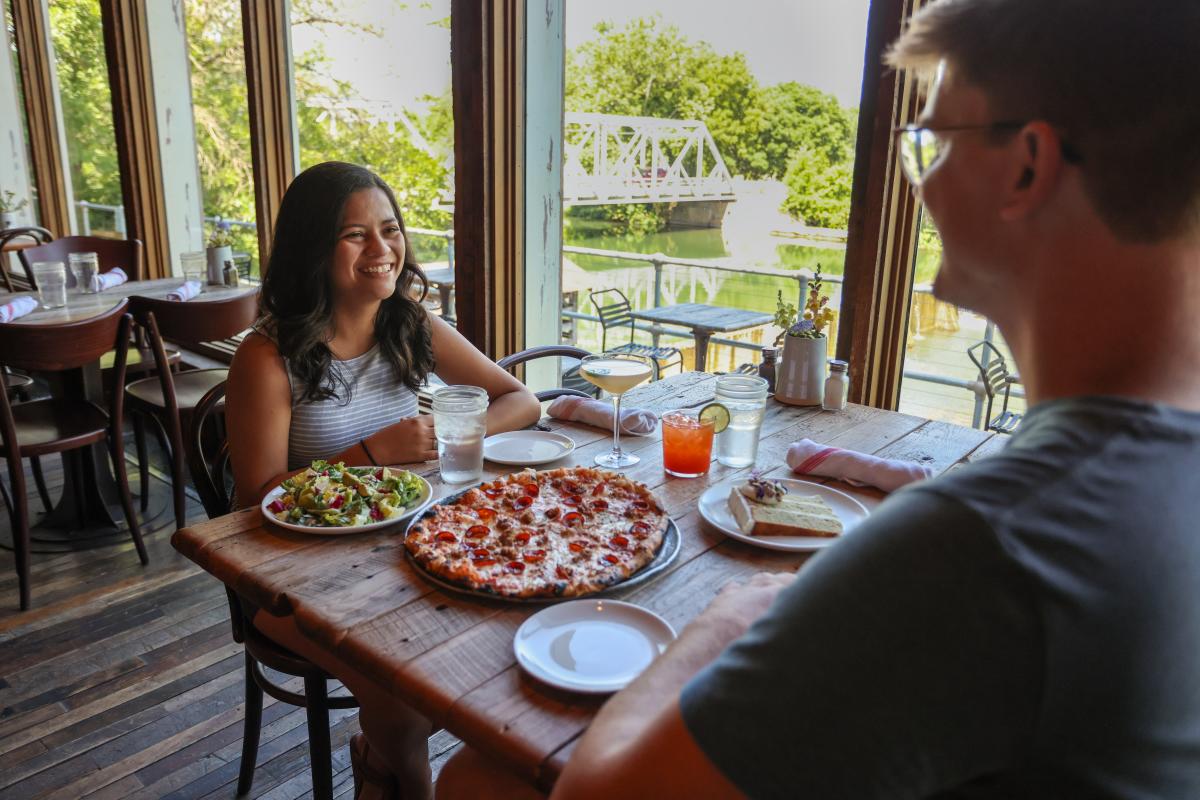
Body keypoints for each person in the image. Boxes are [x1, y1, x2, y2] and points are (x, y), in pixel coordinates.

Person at [443, 1, 1200, 797]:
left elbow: (593, 796)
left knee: (473, 781)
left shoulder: (976, 549)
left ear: (1026, 167)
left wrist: (721, 627)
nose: (924, 183)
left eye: (935, 142)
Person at [227, 161, 540, 507]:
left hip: (398, 523)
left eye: (390, 229)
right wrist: (373, 453)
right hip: (304, 548)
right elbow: (255, 498)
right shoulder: (266, 356)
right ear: (311, 249)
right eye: (356, 235)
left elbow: (522, 402)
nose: (381, 249)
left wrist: (448, 433)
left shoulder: (410, 321)